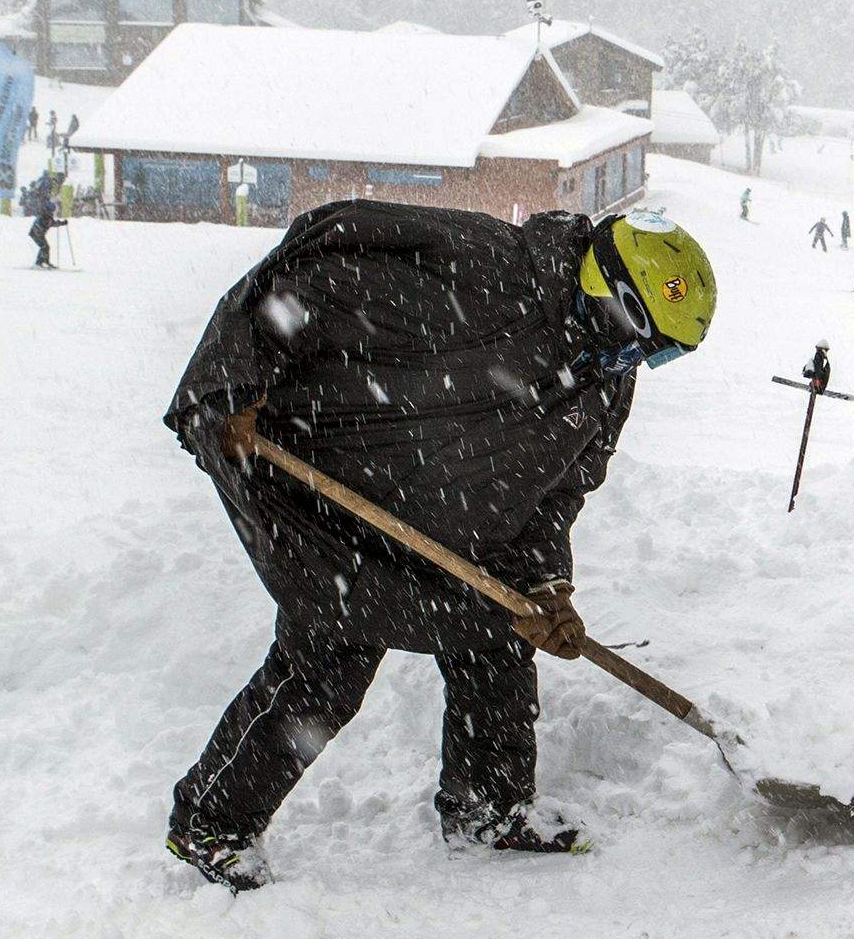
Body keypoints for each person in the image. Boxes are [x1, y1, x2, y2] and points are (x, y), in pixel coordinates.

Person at [161, 202, 717, 892]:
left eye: (659, 355)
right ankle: (212, 821)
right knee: (329, 659)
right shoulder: (484, 273)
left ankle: (488, 806)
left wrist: (545, 586)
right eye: (641, 339)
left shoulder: (604, 380)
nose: (638, 362)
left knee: (497, 630)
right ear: (608, 291)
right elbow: (305, 287)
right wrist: (234, 384)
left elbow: (557, 493)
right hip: (331, 475)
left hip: (447, 515)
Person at [28, 174, 67, 269]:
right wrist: (61, 223)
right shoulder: (45, 216)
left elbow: (52, 222)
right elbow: (51, 223)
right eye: (52, 210)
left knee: (45, 247)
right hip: (35, 233)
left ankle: (45, 262)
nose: (53, 212)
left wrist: (62, 223)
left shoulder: (46, 215)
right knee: (44, 247)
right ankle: (38, 263)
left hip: (37, 233)